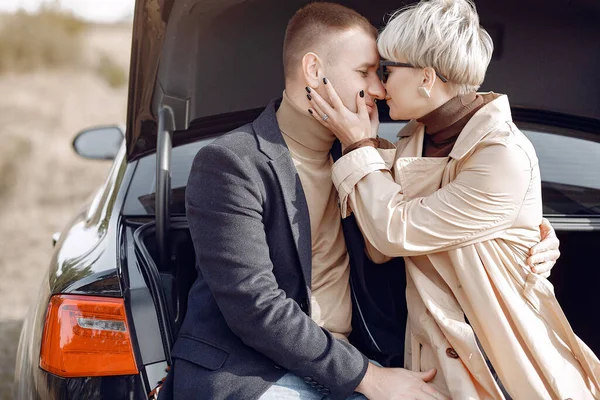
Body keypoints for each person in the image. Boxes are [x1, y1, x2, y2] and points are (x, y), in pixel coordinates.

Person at [158, 3, 561, 400]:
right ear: (314, 72)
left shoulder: (366, 161)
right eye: (365, 72)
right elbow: (255, 307)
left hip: (359, 363)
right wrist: (371, 378)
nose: (379, 89)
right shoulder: (232, 162)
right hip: (255, 372)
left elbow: (447, 205)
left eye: (382, 73)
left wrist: (533, 235)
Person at [306, 0, 600, 399]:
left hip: (502, 360)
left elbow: (395, 231)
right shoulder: (413, 141)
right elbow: (380, 248)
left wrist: (358, 145)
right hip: (432, 363)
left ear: (426, 78)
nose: (379, 86)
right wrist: (370, 147)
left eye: (387, 71)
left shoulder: (501, 154)